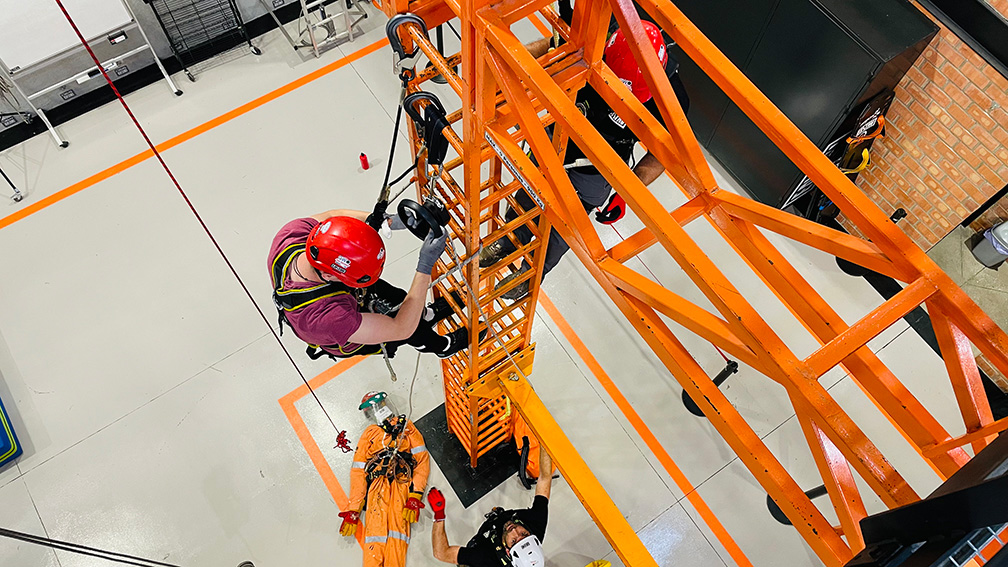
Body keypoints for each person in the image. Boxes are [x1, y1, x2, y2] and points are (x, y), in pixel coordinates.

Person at [480, 21, 690, 300]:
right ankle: (508, 240)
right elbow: (550, 46)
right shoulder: (596, 37)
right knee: (528, 195)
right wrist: (506, 70)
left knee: (563, 227)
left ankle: (532, 271)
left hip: (599, 166)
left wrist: (629, 191)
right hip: (557, 136)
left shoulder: (672, 100)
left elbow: (664, 154)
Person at [268, 209, 469, 359]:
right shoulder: (328, 319)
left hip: (340, 294)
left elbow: (333, 218)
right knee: (411, 328)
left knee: (399, 297)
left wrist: (389, 221)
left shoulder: (292, 235)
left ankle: (428, 315)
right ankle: (442, 346)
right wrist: (425, 265)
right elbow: (400, 328)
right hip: (347, 334)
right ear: (330, 276)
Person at [338, 392, 430, 567]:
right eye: (372, 410)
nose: (378, 412)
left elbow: (421, 460)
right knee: (375, 536)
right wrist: (354, 509)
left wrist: (415, 494)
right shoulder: (370, 434)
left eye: (380, 406)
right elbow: (358, 471)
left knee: (397, 535)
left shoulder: (406, 428)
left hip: (401, 483)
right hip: (377, 488)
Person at [428, 445, 553, 567]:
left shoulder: (487, 558)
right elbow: (545, 478)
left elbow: (442, 553)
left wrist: (439, 515)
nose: (515, 530)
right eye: (524, 534)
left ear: (508, 552)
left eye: (513, 541)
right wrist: (544, 439)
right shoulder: (536, 525)